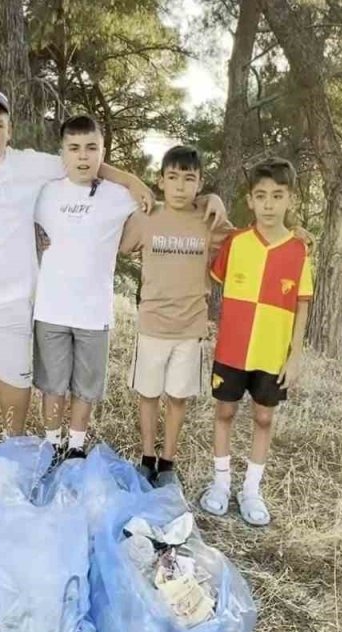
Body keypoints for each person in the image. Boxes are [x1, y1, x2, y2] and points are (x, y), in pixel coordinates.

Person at [0, 87, 224, 442]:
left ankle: (13, 442)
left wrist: (134, 180)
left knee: (16, 379)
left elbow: (83, 163)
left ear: (9, 130)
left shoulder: (29, 165)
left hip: (14, 299)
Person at [199, 158, 313, 526]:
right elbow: (210, 279)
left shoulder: (299, 250)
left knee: (264, 418)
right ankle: (220, 484)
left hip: (271, 353)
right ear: (250, 200)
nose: (268, 204)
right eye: (261, 196)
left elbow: (302, 306)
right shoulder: (237, 243)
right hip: (232, 348)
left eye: (277, 196)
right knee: (225, 412)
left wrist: (294, 356)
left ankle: (251, 490)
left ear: (289, 200)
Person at [118, 145, 232, 489]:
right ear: (161, 181)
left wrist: (218, 201)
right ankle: (147, 457)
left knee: (177, 398)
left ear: (199, 184)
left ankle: (168, 460)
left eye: (189, 179)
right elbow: (115, 243)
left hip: (189, 327)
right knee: (149, 395)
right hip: (152, 324)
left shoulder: (209, 221)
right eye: (173, 178)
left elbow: (248, 241)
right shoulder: (146, 218)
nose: (180, 186)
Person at [31, 115, 138, 459]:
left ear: (102, 152)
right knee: (52, 384)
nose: (83, 156)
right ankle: (51, 442)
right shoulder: (44, 191)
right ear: (62, 152)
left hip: (94, 312)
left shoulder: (119, 196)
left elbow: (158, 207)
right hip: (50, 308)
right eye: (74, 148)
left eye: (92, 148)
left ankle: (75, 446)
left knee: (85, 388)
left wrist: (215, 203)